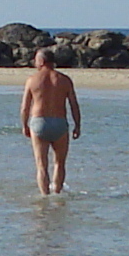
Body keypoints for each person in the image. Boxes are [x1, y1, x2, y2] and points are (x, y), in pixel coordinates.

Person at [19, 48, 82, 194]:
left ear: (41, 61)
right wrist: (77, 125)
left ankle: (44, 198)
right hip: (59, 123)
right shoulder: (64, 80)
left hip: (39, 122)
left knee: (41, 165)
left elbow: (25, 107)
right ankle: (57, 195)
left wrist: (24, 125)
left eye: (36, 60)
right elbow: (74, 104)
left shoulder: (32, 80)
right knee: (59, 163)